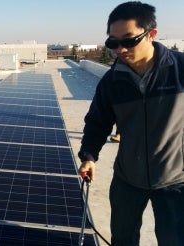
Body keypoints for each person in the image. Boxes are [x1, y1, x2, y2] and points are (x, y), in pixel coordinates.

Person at [77, 1, 184, 245]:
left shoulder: (180, 70)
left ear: (151, 34)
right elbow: (97, 122)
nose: (120, 50)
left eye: (128, 40)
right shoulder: (112, 81)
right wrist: (89, 156)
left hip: (175, 182)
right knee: (123, 240)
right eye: (112, 43)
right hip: (127, 181)